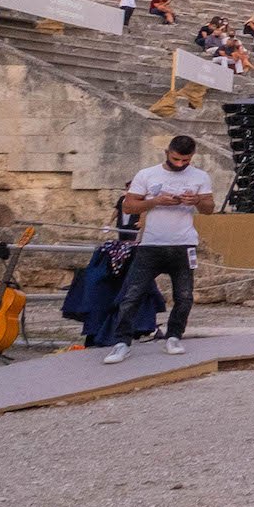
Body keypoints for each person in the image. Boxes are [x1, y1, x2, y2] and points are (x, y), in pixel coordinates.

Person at [102, 134, 215, 364]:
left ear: (192, 157)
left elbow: (209, 208)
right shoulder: (147, 174)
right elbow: (128, 205)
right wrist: (155, 201)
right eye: (176, 159)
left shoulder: (200, 176)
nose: (180, 164)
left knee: (184, 296)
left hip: (184, 244)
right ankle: (122, 341)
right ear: (167, 153)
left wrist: (196, 201)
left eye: (185, 160)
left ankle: (174, 336)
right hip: (151, 244)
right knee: (132, 294)